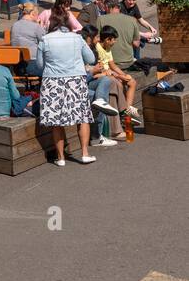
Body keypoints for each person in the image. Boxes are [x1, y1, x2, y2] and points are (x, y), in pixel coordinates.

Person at [32, 10, 97, 166]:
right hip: (75, 80)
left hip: (52, 81)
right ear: (68, 24)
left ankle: (61, 157)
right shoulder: (77, 38)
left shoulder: (45, 40)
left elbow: (40, 65)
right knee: (82, 117)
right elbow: (91, 59)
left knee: (56, 121)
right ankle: (85, 153)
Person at [80, 24, 122, 147]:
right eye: (97, 37)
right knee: (98, 93)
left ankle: (100, 101)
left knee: (105, 82)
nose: (98, 39)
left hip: (89, 80)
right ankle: (97, 137)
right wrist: (93, 71)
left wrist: (96, 71)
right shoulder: (81, 50)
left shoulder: (92, 49)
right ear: (89, 38)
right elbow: (81, 75)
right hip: (79, 85)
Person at [96, 25, 139, 123]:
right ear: (107, 39)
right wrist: (120, 76)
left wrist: (124, 75)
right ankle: (123, 112)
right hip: (105, 74)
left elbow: (113, 65)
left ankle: (127, 110)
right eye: (113, 40)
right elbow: (103, 70)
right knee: (119, 83)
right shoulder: (98, 48)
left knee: (132, 82)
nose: (115, 42)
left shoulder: (107, 48)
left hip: (111, 72)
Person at [97, 0, 143, 79]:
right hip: (128, 62)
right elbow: (136, 44)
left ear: (107, 7)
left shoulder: (100, 19)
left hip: (110, 63)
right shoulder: (132, 20)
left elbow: (97, 41)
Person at [11, 2, 45, 73]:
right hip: (33, 64)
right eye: (37, 14)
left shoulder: (15, 25)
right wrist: (40, 26)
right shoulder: (36, 27)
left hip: (17, 65)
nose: (38, 17)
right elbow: (45, 42)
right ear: (32, 13)